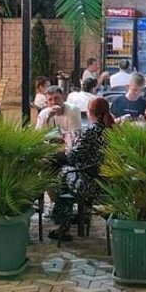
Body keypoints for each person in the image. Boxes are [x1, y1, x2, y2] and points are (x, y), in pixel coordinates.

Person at [49, 97, 115, 242]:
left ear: (90, 113)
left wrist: (69, 145)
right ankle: (81, 214)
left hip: (90, 184)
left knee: (62, 175)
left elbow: (72, 157)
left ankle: (63, 225)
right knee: (67, 174)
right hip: (108, 183)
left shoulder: (91, 131)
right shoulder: (112, 130)